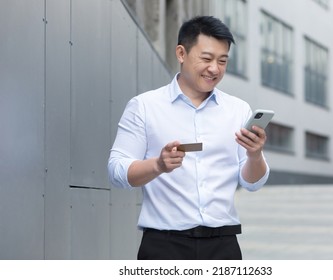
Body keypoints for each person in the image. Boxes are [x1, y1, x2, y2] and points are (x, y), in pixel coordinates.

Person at [108, 15, 270, 260]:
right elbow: (116, 171)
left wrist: (254, 155)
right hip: (163, 246)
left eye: (222, 60)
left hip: (223, 245)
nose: (214, 68)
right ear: (181, 53)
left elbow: (252, 183)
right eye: (206, 58)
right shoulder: (144, 106)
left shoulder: (238, 110)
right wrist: (157, 165)